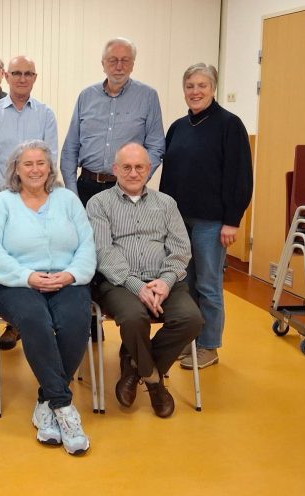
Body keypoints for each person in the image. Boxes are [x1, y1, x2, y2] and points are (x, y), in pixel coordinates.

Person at [0, 140, 95, 455]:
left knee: (75, 320)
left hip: (66, 279)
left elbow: (87, 244)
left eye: (40, 163)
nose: (35, 169)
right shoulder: (2, 203)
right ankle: (63, 405)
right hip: (14, 283)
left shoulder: (67, 200)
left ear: (49, 168)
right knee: (36, 320)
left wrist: (71, 274)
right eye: (27, 164)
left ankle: (46, 403)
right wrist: (27, 277)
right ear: (16, 170)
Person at [87, 143, 204, 418]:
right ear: (115, 169)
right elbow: (103, 251)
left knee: (191, 319)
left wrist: (165, 281)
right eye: (126, 167)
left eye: (139, 167)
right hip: (118, 283)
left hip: (164, 282)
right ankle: (154, 382)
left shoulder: (166, 204)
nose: (133, 173)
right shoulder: (99, 204)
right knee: (133, 317)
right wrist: (137, 286)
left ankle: (133, 366)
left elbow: (180, 249)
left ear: (149, 170)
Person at [160, 64, 253, 370]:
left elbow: (240, 177)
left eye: (202, 85)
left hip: (212, 223)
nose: (195, 91)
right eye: (190, 86)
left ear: (213, 88)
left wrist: (232, 220)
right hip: (179, 222)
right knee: (185, 285)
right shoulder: (178, 128)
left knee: (209, 285)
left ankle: (209, 346)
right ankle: (191, 341)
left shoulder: (230, 125)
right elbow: (168, 178)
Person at [0, 55, 58, 350]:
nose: (22, 78)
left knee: (32, 253)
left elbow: (50, 156)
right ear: (7, 77)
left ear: (35, 78)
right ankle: (4, 312)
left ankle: (19, 322)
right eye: (17, 73)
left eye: (28, 73)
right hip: (2, 199)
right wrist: (10, 191)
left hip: (39, 201)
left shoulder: (45, 114)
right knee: (3, 255)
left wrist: (33, 190)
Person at [60, 37, 165, 206]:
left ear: (133, 64)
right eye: (113, 60)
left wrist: (136, 181)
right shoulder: (86, 96)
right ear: (103, 64)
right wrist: (72, 193)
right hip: (86, 188)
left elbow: (156, 146)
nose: (119, 66)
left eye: (125, 60)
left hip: (126, 189)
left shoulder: (148, 97)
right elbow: (70, 148)